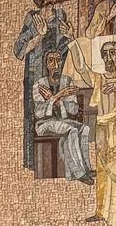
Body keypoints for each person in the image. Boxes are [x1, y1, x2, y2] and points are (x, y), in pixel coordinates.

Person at [70, 39, 116, 226]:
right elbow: (82, 68)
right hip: (102, 131)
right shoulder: (99, 79)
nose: (109, 58)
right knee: (102, 173)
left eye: (113, 53)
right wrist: (73, 42)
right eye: (105, 54)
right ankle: (100, 212)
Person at [13, 0, 73, 170]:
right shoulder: (33, 18)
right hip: (36, 74)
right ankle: (34, 160)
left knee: (59, 111)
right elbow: (19, 50)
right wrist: (39, 36)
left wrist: (70, 36)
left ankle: (61, 160)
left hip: (56, 73)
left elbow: (65, 47)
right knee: (34, 115)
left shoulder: (60, 16)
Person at [33, 48, 94, 182]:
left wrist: (55, 99)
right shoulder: (39, 84)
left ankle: (86, 167)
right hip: (44, 124)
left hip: (63, 120)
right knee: (71, 130)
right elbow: (39, 113)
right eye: (51, 60)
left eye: (58, 60)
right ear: (46, 64)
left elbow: (73, 110)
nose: (55, 64)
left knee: (85, 129)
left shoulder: (67, 81)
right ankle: (78, 172)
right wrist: (60, 95)